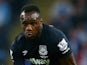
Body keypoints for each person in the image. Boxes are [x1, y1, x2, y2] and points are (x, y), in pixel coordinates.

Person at [10, 4, 77, 65]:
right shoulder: (17, 44)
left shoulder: (56, 39)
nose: (29, 28)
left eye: (33, 23)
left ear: (40, 22)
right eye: (25, 24)